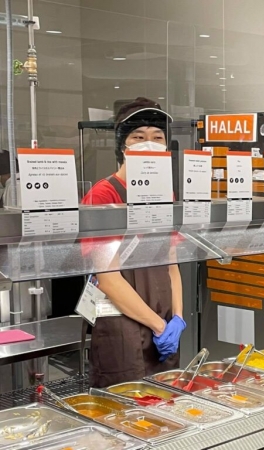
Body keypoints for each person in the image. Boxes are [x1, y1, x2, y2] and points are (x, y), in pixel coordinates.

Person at [81, 97, 185, 388]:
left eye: (157, 137)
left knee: (165, 404)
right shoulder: (103, 196)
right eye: (138, 137)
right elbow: (109, 279)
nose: (149, 144)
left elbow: (172, 266)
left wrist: (177, 318)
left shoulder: (165, 195)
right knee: (126, 407)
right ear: (122, 146)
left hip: (164, 321)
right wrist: (159, 325)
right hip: (122, 326)